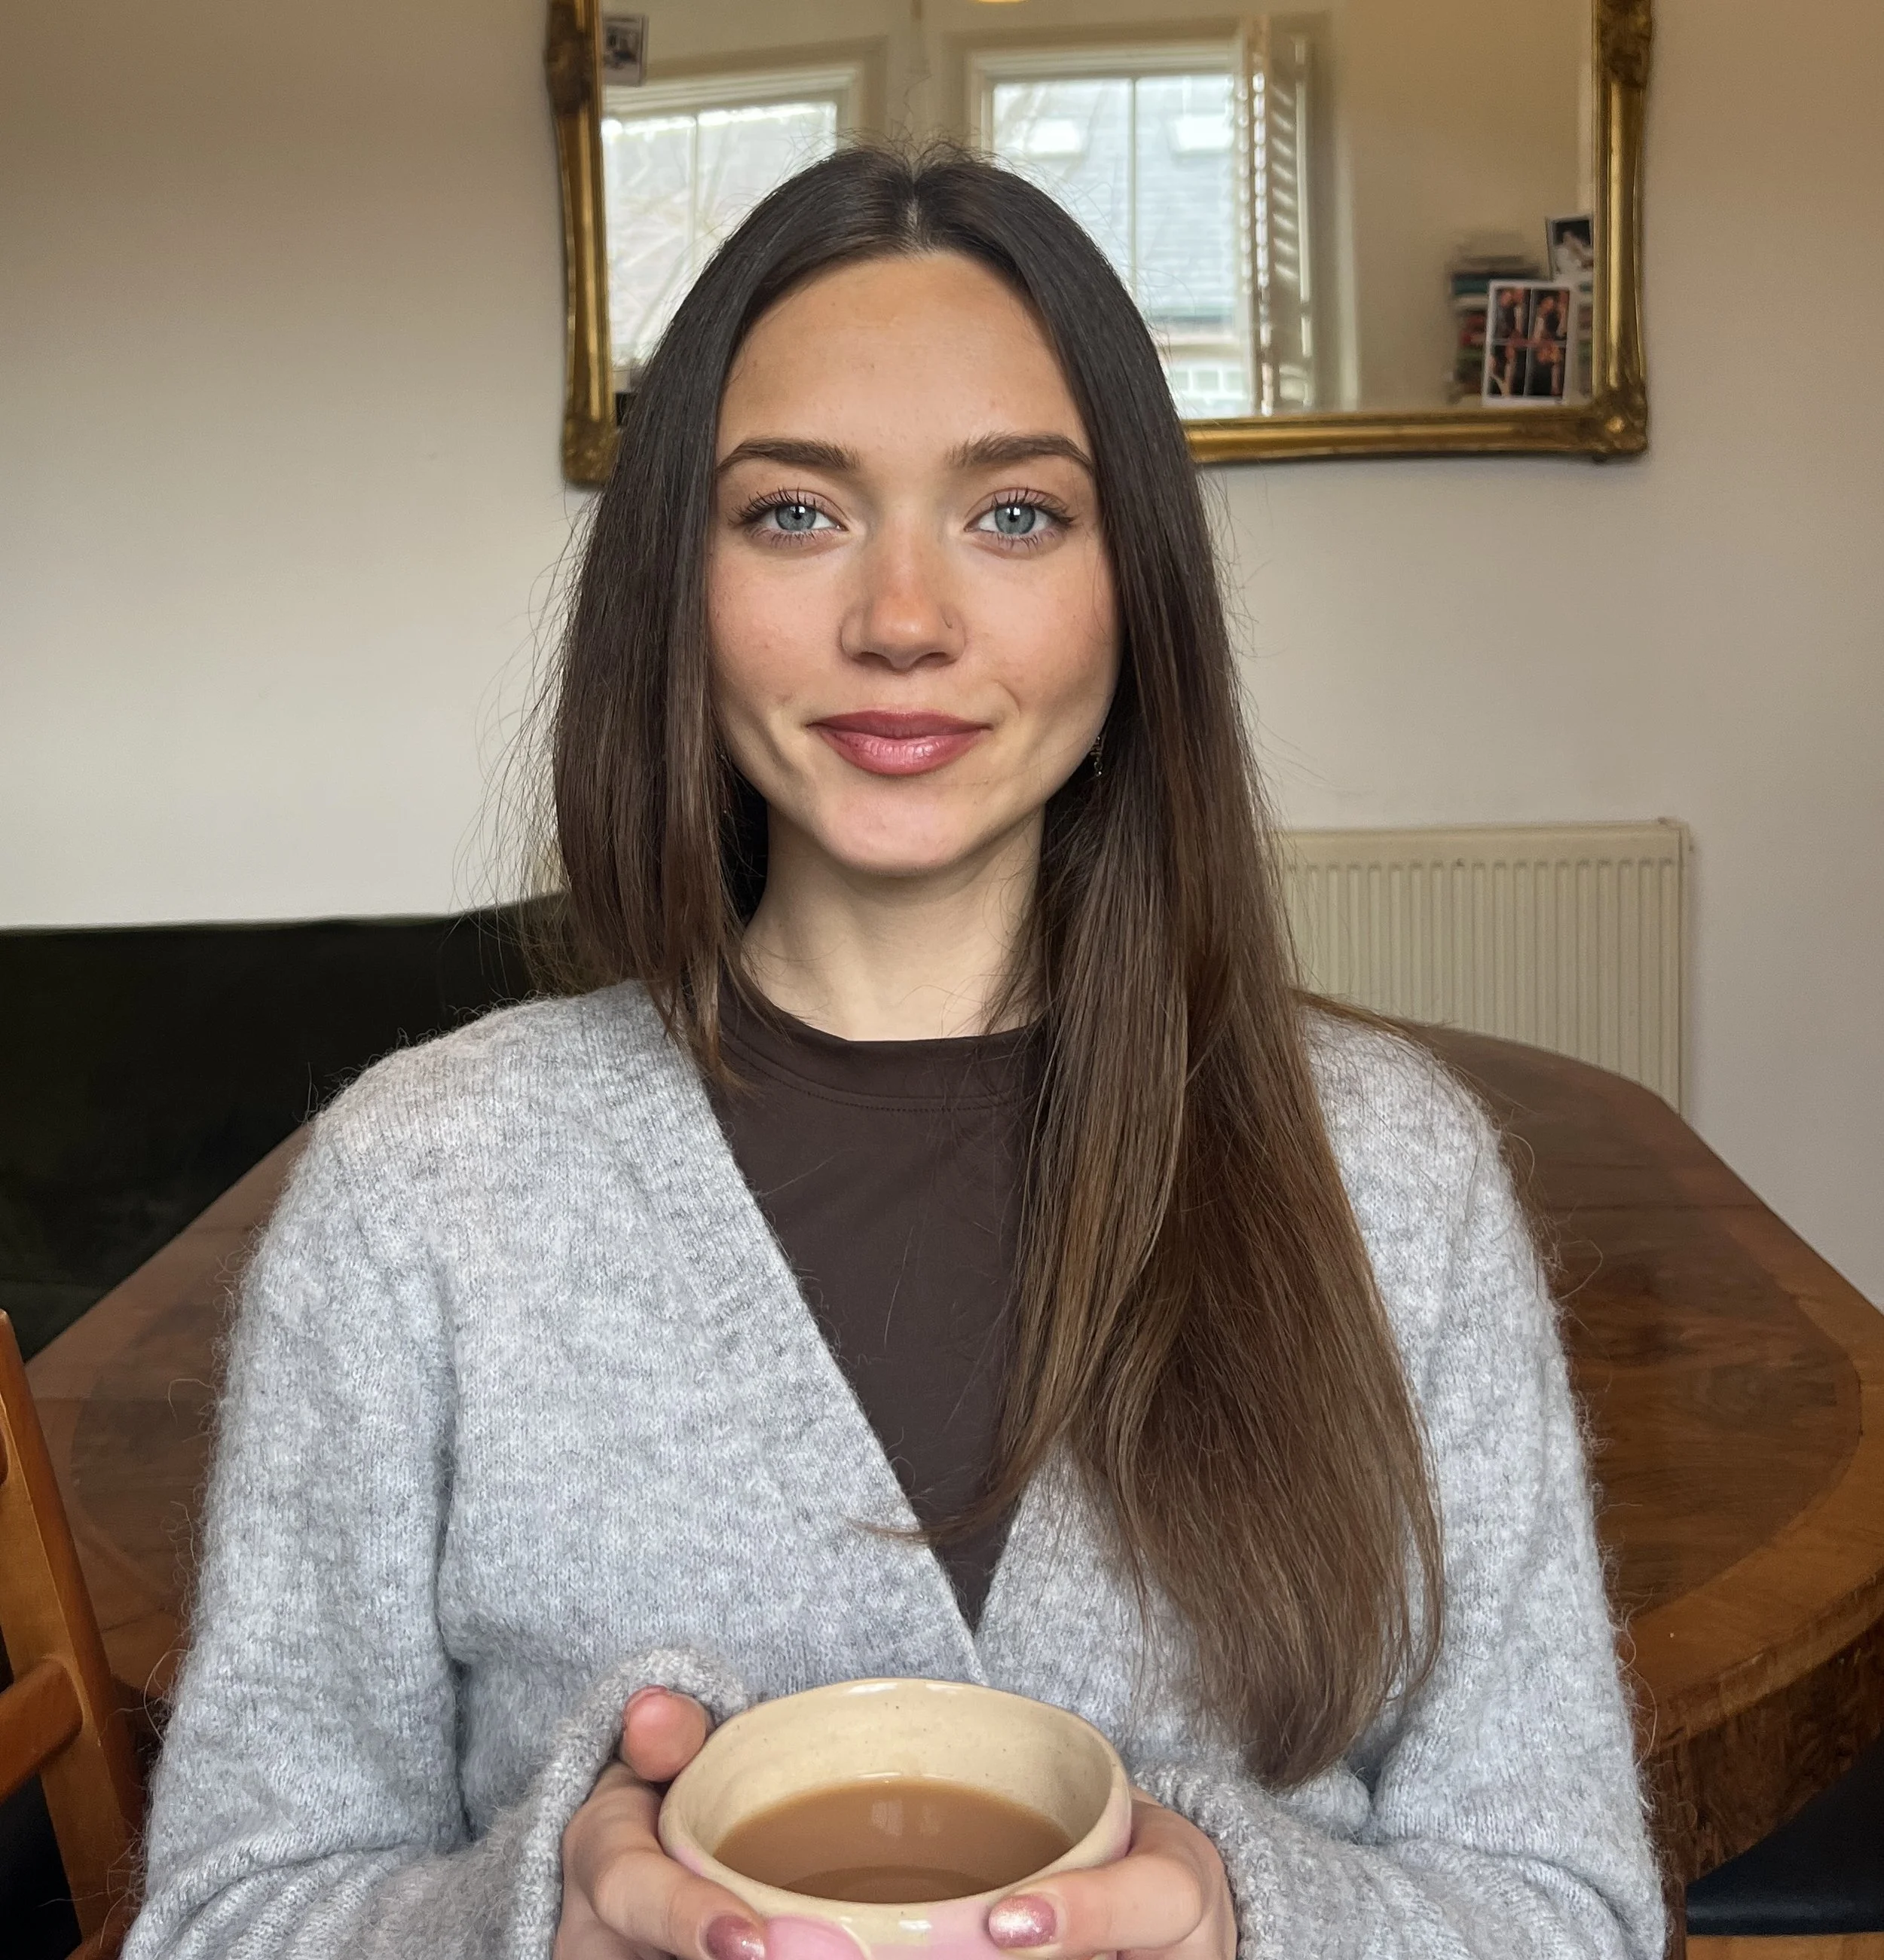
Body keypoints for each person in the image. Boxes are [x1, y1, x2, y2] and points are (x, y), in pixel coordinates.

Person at [126, 146, 1662, 1960]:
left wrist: (1239, 1919)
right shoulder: (418, 1191)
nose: (905, 621)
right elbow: (228, 1913)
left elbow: (1566, 1912)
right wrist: (531, 1919)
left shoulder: (1393, 1180)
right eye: (794, 512)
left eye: (1015, 513)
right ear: (673, 585)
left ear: (1134, 590)